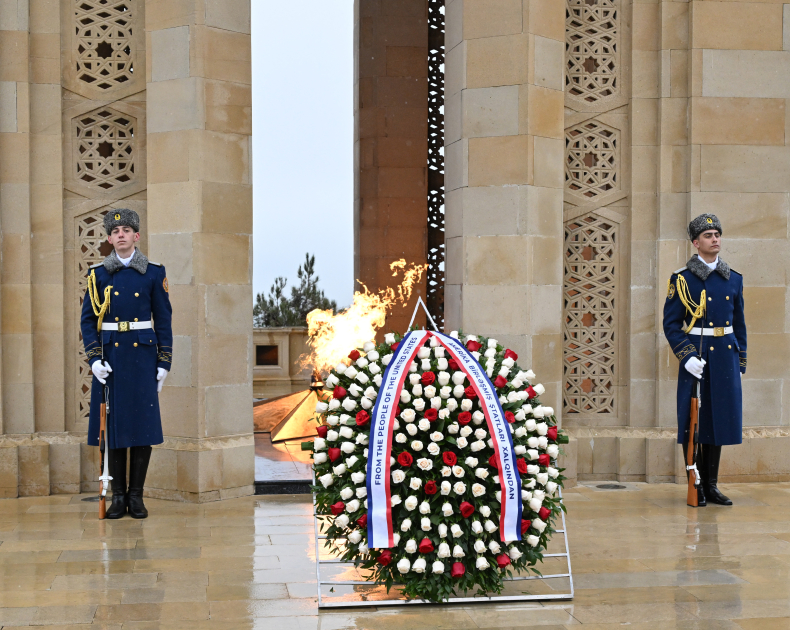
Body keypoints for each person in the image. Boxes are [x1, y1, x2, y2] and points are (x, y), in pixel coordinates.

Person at [81, 209, 172, 518]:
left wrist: (164, 362)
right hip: (111, 360)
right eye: (115, 230)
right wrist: (94, 359)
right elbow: (87, 322)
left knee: (142, 428)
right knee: (114, 428)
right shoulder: (98, 275)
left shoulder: (154, 273)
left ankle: (137, 497)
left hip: (142, 358)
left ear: (137, 236)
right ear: (109, 239)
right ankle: (118, 496)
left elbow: (163, 319)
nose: (121, 234)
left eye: (127, 229)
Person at [663, 214, 746, 507]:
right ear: (696, 242)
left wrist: (740, 359)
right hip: (697, 358)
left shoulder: (733, 278)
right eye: (709, 235)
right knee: (693, 422)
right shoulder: (682, 279)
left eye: (717, 234)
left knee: (719, 421)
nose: (715, 239)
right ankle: (694, 483)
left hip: (724, 357)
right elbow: (672, 325)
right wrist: (686, 357)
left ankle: (711, 485)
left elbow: (739, 322)